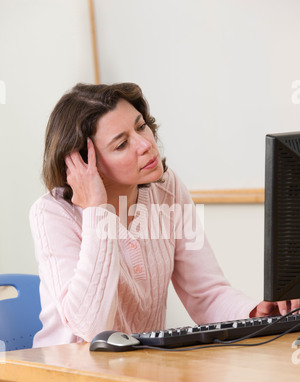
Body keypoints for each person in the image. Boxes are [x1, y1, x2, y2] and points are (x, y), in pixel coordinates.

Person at [30, 82, 299, 348]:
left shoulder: (167, 188)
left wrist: (256, 313)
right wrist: (97, 212)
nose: (145, 144)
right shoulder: (52, 214)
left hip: (143, 368)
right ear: (86, 164)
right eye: (122, 144)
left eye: (140, 126)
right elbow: (92, 327)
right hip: (65, 377)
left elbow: (206, 293)